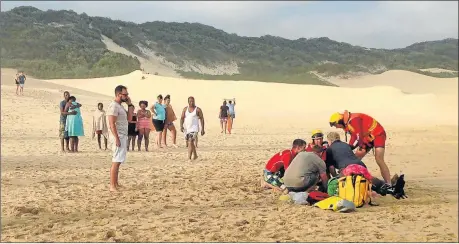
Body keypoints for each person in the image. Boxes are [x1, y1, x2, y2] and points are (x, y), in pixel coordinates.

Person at [325, 132, 405, 198]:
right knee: (368, 180)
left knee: (355, 184)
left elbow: (331, 168)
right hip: (360, 165)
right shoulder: (345, 145)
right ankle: (389, 187)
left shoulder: (329, 149)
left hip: (347, 168)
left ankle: (377, 191)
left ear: (330, 141)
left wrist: (335, 177)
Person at [329, 110, 391, 184]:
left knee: (379, 159)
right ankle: (353, 179)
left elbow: (358, 138)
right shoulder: (346, 123)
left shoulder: (354, 120)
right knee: (355, 158)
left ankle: (389, 183)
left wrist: (349, 148)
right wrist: (349, 147)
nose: (336, 128)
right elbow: (354, 136)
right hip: (367, 137)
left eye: (336, 125)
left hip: (378, 134)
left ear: (338, 122)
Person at [107, 85, 134, 192]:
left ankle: (116, 183)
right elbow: (111, 124)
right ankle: (112, 185)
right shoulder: (113, 106)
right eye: (125, 94)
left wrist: (130, 105)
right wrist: (117, 138)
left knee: (119, 160)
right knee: (116, 160)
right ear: (119, 94)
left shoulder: (120, 106)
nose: (127, 96)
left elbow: (130, 118)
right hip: (118, 136)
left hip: (123, 135)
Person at [180, 96, 205, 161]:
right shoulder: (185, 109)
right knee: (190, 143)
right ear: (188, 102)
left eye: (193, 101)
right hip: (187, 129)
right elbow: (182, 118)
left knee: (191, 141)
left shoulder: (198, 109)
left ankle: (189, 157)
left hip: (194, 128)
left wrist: (202, 129)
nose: (192, 102)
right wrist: (181, 126)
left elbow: (202, 119)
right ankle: (195, 155)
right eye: (190, 101)